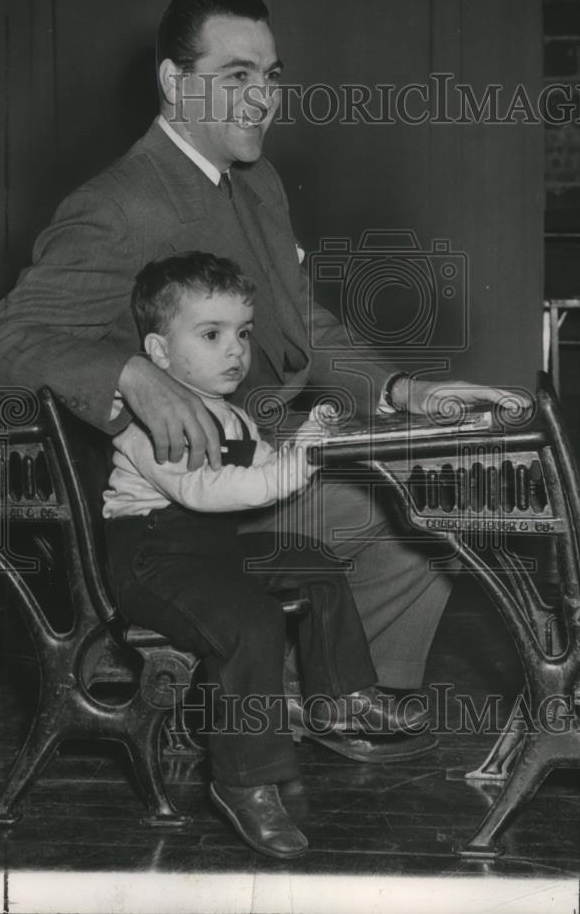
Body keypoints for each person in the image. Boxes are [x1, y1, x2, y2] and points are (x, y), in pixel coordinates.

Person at [0, 0, 519, 707]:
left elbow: (301, 322)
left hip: (265, 444)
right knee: (416, 503)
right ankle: (300, 700)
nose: (262, 98)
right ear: (175, 82)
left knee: (431, 486)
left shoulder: (255, 183)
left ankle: (334, 696)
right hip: (189, 496)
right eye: (236, 77)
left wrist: (400, 392)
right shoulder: (118, 204)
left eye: (270, 76)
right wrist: (131, 372)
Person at [103, 251, 427, 860]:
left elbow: (267, 471)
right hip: (152, 557)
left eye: (243, 334)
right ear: (160, 352)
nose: (236, 350)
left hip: (210, 548)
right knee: (250, 619)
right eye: (212, 334)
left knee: (313, 559)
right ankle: (243, 782)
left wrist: (310, 438)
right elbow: (206, 489)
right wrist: (290, 469)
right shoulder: (150, 418)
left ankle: (339, 695)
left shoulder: (231, 414)